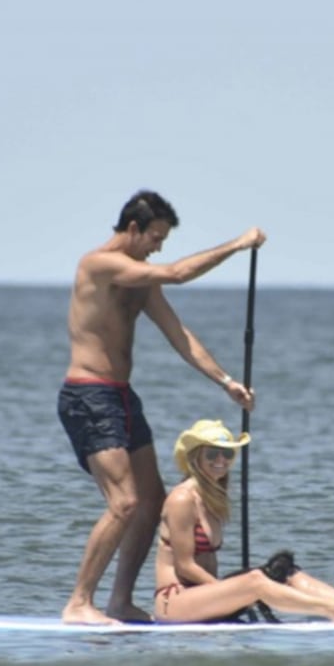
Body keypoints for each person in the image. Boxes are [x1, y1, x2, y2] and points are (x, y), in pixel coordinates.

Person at [58, 190, 266, 625]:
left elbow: (179, 334)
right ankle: (78, 603)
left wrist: (226, 381)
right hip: (88, 396)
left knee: (152, 501)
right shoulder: (98, 265)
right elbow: (175, 273)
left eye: (163, 239)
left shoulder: (141, 281)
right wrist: (237, 244)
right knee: (125, 504)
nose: (158, 247)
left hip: (121, 397)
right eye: (155, 237)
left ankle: (118, 602)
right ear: (132, 229)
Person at [154, 419, 334, 624]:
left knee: (284, 569)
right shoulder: (181, 499)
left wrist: (231, 592)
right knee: (255, 580)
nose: (221, 461)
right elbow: (186, 565)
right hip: (176, 603)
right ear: (195, 458)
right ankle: (332, 610)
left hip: (205, 597)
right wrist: (230, 590)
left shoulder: (212, 496)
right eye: (212, 454)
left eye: (227, 454)